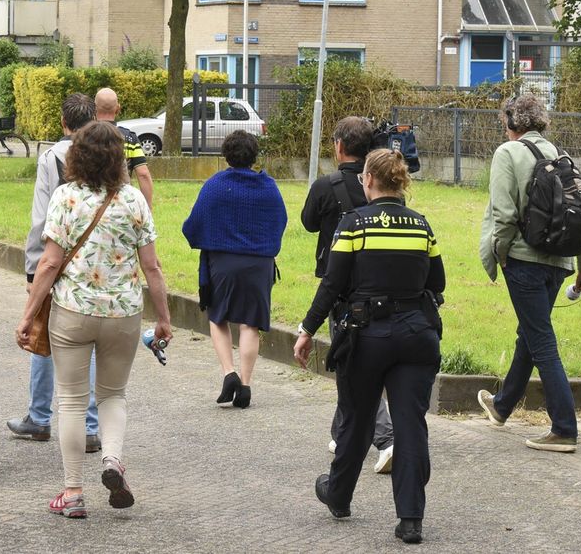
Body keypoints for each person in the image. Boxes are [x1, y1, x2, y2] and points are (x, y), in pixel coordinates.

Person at [16, 120, 173, 519]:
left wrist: (28, 314)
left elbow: (50, 262)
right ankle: (112, 460)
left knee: (70, 400)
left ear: (76, 157)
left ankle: (71, 494)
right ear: (119, 158)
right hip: (123, 313)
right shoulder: (134, 200)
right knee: (112, 395)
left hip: (73, 312)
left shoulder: (65, 197)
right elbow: (152, 268)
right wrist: (165, 319)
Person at [293, 148, 445, 545]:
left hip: (367, 336)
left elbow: (333, 283)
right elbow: (438, 283)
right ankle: (411, 519)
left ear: (368, 181)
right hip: (417, 335)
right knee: (412, 426)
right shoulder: (421, 227)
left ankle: (339, 496)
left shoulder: (354, 224)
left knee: (357, 419)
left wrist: (308, 329)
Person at [476, 94, 581, 453]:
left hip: (524, 261)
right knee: (529, 334)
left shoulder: (507, 153)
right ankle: (501, 406)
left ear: (512, 122)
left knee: (541, 341)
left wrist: (502, 256)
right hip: (559, 263)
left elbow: (504, 214)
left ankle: (564, 428)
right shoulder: (561, 156)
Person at [7, 94, 101, 452]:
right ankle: (91, 426)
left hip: (55, 255)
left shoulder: (52, 158)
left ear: (63, 123)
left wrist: (34, 266)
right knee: (88, 343)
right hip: (91, 261)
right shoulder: (106, 155)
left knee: (41, 335)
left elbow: (42, 214)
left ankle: (39, 416)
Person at [301, 116, 395, 473]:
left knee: (351, 362)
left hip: (340, 286)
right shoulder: (382, 183)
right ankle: (342, 433)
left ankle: (386, 438)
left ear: (339, 146)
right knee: (349, 360)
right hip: (382, 281)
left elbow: (309, 222)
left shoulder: (327, 185)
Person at [182, 131, 287, 409]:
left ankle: (229, 372)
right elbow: (280, 221)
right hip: (259, 263)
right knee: (250, 323)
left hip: (223, 263)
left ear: (226, 155)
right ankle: (246, 384)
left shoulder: (215, 185)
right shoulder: (268, 187)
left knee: (218, 318)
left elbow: (194, 224)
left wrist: (203, 238)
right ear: (255, 156)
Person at [94, 87, 154, 207]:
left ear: (94, 108)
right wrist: (148, 207)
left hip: (91, 202)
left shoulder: (85, 136)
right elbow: (143, 174)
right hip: (122, 203)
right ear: (118, 108)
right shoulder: (129, 138)